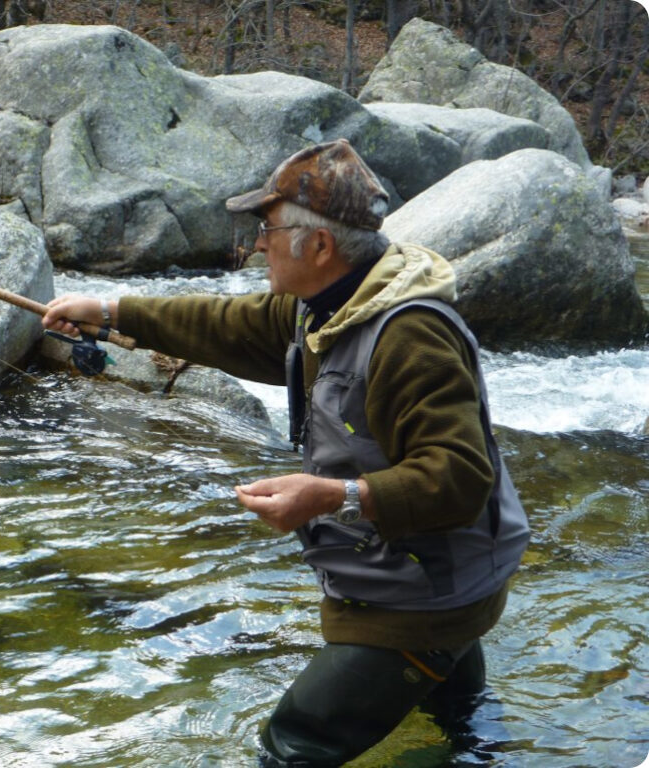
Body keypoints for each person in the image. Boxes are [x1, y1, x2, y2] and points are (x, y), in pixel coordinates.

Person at [42, 139, 530, 767]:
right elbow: (230, 323)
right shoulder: (330, 302)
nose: (254, 246)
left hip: (426, 597)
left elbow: (460, 478)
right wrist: (111, 311)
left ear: (320, 246)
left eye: (266, 229)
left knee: (295, 745)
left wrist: (333, 496)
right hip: (451, 576)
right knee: (460, 729)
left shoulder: (409, 336)